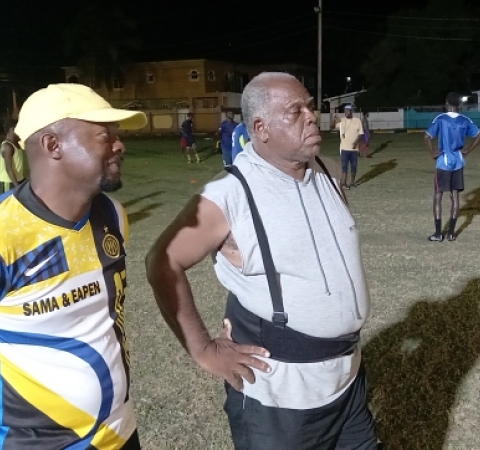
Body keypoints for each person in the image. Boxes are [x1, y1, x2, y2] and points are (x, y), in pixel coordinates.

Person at [145, 72, 378, 450]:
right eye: (294, 111)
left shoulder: (326, 173)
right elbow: (162, 261)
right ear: (261, 128)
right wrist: (202, 349)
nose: (311, 115)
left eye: (309, 105)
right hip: (280, 398)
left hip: (347, 381)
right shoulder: (229, 193)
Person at [0, 83, 147, 448]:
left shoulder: (112, 215)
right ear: (53, 145)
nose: (118, 144)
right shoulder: (6, 233)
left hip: (120, 432)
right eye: (104, 135)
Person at [424, 92, 480, 242]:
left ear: (446, 103)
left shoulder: (441, 119)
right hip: (457, 162)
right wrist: (468, 150)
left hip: (443, 162)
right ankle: (451, 233)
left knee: (438, 196)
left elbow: (427, 136)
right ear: (459, 105)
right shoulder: (465, 120)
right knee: (454, 197)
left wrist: (432, 152)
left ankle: (438, 234)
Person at [333, 104, 364, 189]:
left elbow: (361, 134)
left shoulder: (357, 121)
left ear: (351, 111)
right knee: (344, 167)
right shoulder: (341, 121)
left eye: (347, 110)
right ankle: (343, 184)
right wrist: (334, 120)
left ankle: (352, 182)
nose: (346, 112)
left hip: (354, 149)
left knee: (354, 166)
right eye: (345, 111)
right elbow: (333, 127)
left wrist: (355, 142)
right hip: (344, 149)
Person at [0, 118, 26, 193]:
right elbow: (9, 169)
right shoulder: (7, 146)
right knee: (7, 203)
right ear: (12, 129)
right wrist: (17, 186)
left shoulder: (16, 144)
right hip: (9, 182)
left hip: (18, 180)